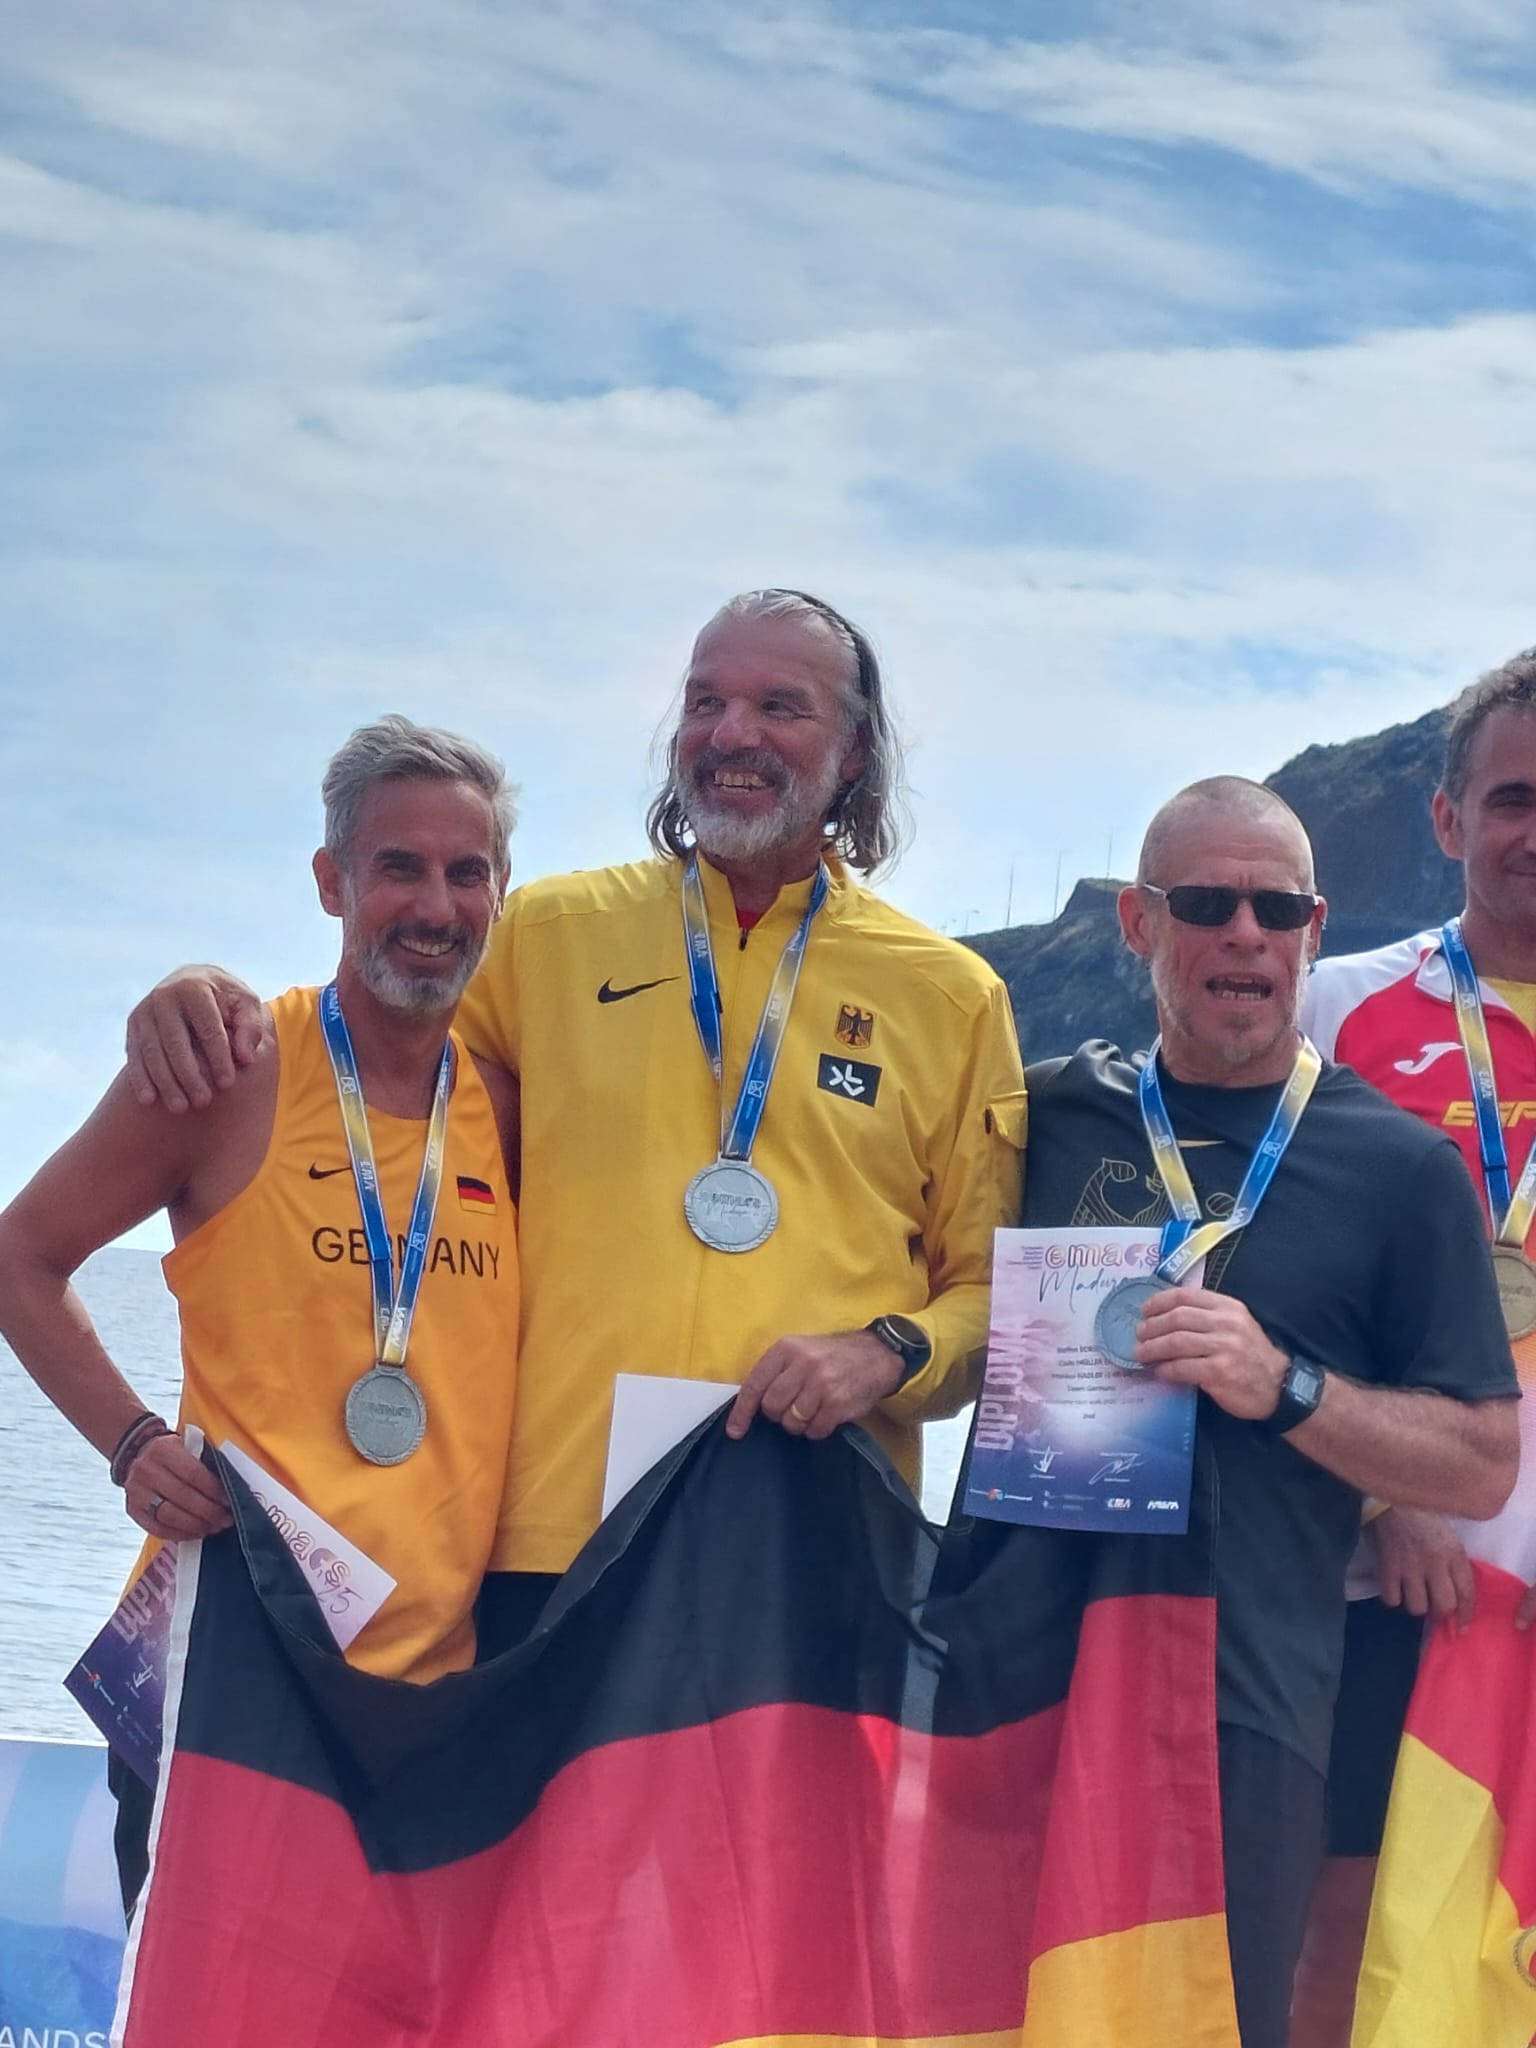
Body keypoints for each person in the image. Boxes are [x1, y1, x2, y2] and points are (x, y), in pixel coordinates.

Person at [120, 590, 1027, 1640]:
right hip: (546, 1547)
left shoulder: (952, 996)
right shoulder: (544, 933)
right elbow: (366, 1060)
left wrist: (887, 1350)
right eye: (705, 702)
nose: (731, 733)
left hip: (813, 1550)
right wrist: (197, 990)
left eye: (779, 706)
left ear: (856, 749)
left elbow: (995, 1303)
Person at [1014, 775, 1519, 2048]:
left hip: (1243, 1692)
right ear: (1138, 920)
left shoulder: (1401, 1167)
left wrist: (1284, 1384)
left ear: (1313, 926)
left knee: (1216, 2021)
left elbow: (1479, 1459)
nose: (1244, 931)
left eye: (1276, 906)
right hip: (1023, 1658)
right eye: (1204, 902)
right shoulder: (1041, 1112)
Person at [0, 716, 521, 1907]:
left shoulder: (506, 1110)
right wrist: (131, 1441)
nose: (434, 904)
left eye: (466, 870)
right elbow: (21, 1255)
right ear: (332, 880)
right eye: (398, 865)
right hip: (221, 1661)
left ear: (499, 891)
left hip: (428, 1696)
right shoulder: (227, 1069)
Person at [1289, 650, 1536, 2047]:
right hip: (1391, 1560)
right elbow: (1266, 1270)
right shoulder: (1336, 1006)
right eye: (1513, 798)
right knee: (1349, 1914)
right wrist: (1385, 1497)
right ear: (1448, 818)